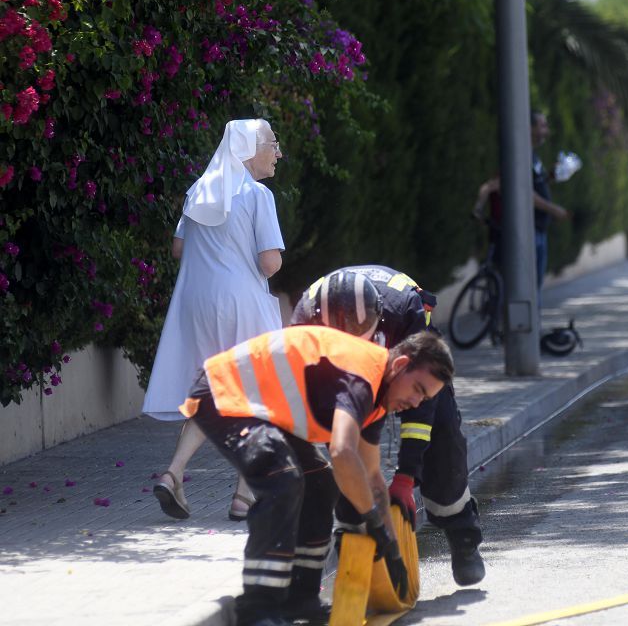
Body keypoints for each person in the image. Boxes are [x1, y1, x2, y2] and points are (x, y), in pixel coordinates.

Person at [181, 324, 455, 626]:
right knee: (281, 477)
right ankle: (257, 608)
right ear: (401, 364)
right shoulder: (363, 377)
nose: (416, 403)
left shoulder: (378, 394)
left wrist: (391, 546)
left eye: (425, 399)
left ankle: (301, 599)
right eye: (418, 389)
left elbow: (372, 475)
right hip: (223, 392)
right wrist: (372, 521)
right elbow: (342, 452)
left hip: (259, 409)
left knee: (321, 483)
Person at [291, 265, 486, 587]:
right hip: (336, 380)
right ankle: (354, 545)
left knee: (443, 438)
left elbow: (424, 399)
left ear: (376, 324)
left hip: (410, 357)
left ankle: (462, 535)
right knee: (347, 460)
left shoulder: (403, 312)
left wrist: (407, 477)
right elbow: (326, 415)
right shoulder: (305, 321)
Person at [143, 118, 285, 521]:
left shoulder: (200, 190)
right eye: (272, 144)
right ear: (248, 150)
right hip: (241, 303)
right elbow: (270, 262)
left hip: (195, 304)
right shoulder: (257, 195)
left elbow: (177, 248)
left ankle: (178, 476)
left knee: (217, 393)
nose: (277, 153)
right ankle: (240, 495)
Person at [472, 110, 570, 288]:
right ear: (529, 128)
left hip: (539, 230)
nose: (546, 131)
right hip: (527, 232)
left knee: (534, 287)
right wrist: (554, 209)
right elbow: (523, 193)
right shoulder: (519, 156)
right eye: (542, 126)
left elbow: (533, 184)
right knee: (526, 289)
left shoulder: (533, 157)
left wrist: (550, 177)